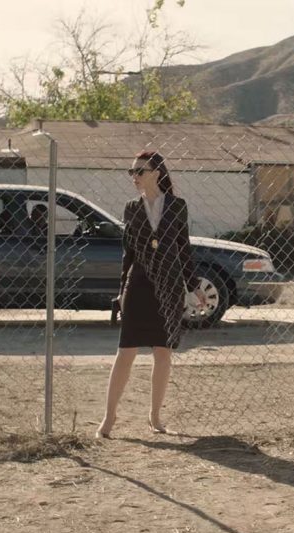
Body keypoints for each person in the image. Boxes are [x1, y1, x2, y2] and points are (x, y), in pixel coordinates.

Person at [96, 151, 204, 439]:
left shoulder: (177, 206)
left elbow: (184, 248)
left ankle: (155, 417)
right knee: (125, 353)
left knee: (163, 353)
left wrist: (193, 285)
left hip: (168, 285)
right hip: (139, 285)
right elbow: (127, 253)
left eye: (139, 171)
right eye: (131, 172)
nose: (134, 177)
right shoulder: (131, 208)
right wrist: (121, 291)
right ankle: (109, 417)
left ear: (156, 172)